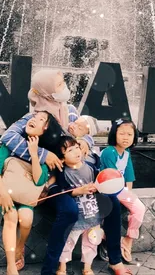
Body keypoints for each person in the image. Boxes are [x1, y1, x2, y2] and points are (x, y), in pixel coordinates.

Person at [1, 69, 132, 275]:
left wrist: (84, 141)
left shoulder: (69, 109)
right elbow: (8, 137)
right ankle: (50, 268)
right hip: (57, 182)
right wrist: (44, 154)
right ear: (46, 92)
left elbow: (84, 130)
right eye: (59, 85)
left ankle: (115, 260)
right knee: (69, 211)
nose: (65, 88)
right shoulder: (34, 117)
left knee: (112, 203)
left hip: (82, 176)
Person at [0, 111, 62, 275]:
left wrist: (35, 154)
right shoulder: (10, 145)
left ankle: (20, 247)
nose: (33, 119)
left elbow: (39, 181)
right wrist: (3, 194)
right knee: (11, 216)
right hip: (6, 192)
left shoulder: (42, 152)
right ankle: (11, 265)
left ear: (46, 131)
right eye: (34, 117)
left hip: (25, 196)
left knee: (26, 219)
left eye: (41, 120)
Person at [54, 135, 102, 275]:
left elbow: (100, 184)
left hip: (93, 213)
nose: (76, 152)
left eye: (77, 148)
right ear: (62, 158)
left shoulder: (91, 168)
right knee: (68, 241)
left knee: (92, 242)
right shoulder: (63, 172)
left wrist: (97, 187)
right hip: (76, 217)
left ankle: (87, 266)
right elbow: (63, 190)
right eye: (70, 150)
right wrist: (77, 191)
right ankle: (62, 266)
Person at [100, 118, 145, 262]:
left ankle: (128, 240)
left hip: (119, 189)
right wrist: (123, 195)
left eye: (130, 134)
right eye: (122, 134)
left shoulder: (126, 153)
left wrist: (128, 195)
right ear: (114, 134)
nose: (126, 138)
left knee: (139, 208)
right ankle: (109, 241)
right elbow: (112, 177)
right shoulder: (108, 152)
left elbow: (129, 176)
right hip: (106, 189)